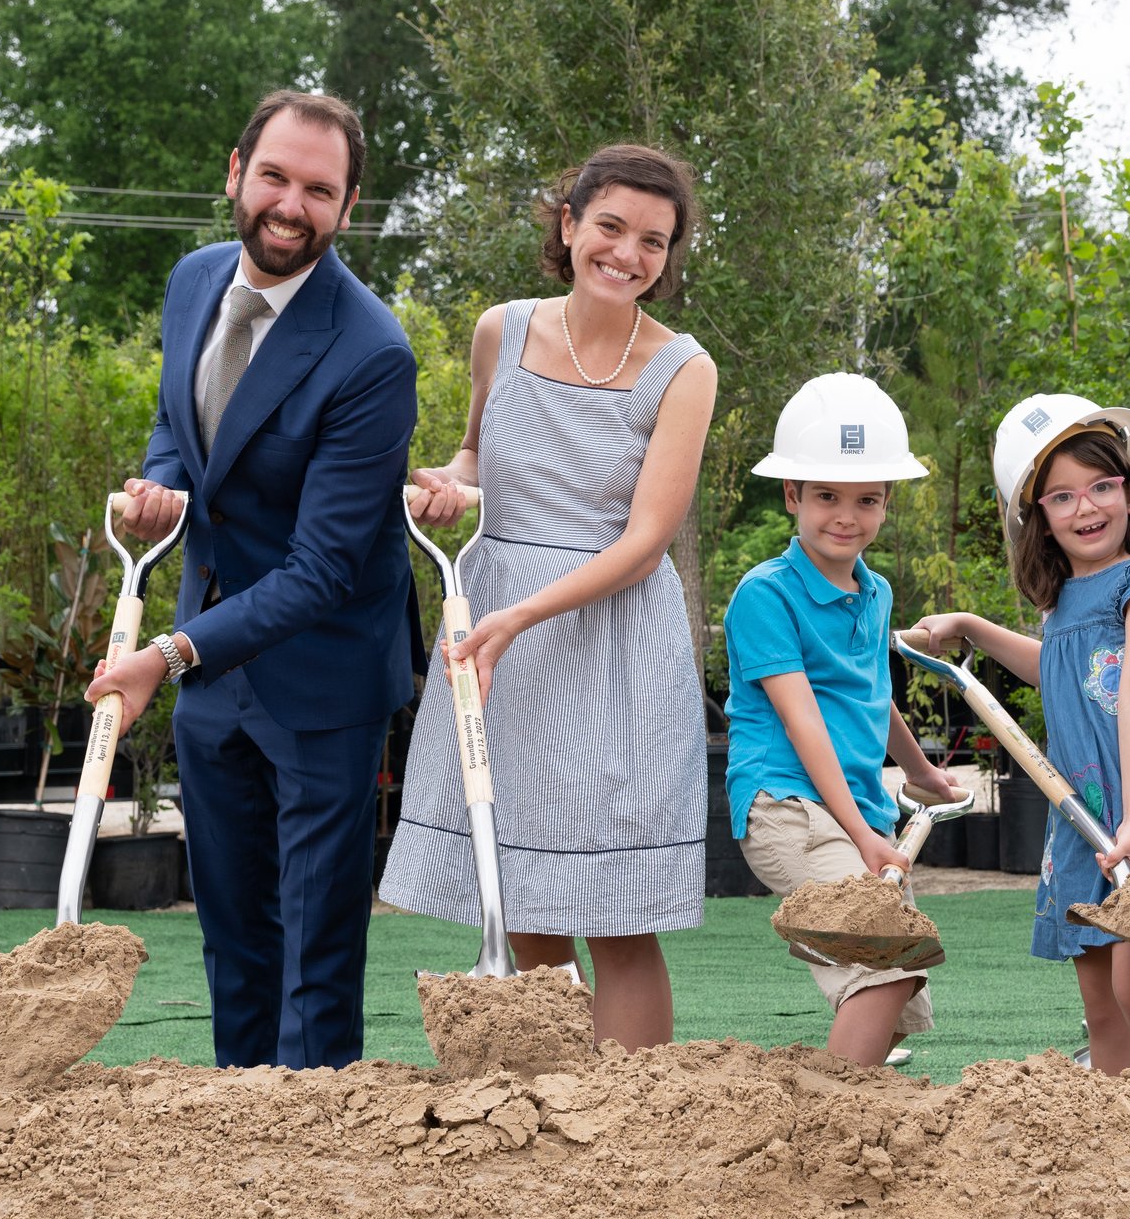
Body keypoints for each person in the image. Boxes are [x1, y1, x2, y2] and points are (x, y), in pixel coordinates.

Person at [87, 88, 420, 1071]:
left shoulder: (371, 353)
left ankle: (312, 1152)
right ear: (235, 173)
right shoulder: (193, 283)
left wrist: (165, 651)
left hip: (323, 672)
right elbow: (182, 424)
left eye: (319, 189)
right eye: (274, 176)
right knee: (233, 934)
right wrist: (163, 488)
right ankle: (237, 1133)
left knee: (313, 952)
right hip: (209, 661)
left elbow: (321, 569)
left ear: (347, 208)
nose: (291, 204)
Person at [382, 144, 717, 1050]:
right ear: (568, 226)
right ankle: (549, 1102)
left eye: (654, 240)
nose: (628, 253)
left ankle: (629, 1123)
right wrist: (448, 483)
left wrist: (522, 616)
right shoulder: (502, 328)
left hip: (607, 641)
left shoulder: (684, 369)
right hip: (500, 629)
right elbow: (477, 453)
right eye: (609, 226)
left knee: (616, 913)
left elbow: (647, 540)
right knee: (524, 889)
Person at [913, 395, 1130, 1078]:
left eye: (1102, 487)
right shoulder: (1064, 603)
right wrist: (971, 625)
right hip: (1082, 812)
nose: (1087, 509)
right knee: (1103, 1001)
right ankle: (1120, 1131)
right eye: (1063, 497)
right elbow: (1054, 665)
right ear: (1040, 518)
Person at [722, 374, 968, 1068]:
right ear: (792, 495)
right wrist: (862, 835)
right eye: (826, 495)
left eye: (866, 499)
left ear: (887, 504)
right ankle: (832, 1129)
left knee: (901, 987)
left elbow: (869, 690)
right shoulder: (765, 596)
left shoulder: (877, 591)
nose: (846, 515)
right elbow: (803, 722)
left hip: (857, 808)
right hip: (787, 803)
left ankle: (829, 1100)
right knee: (880, 965)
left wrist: (919, 771)